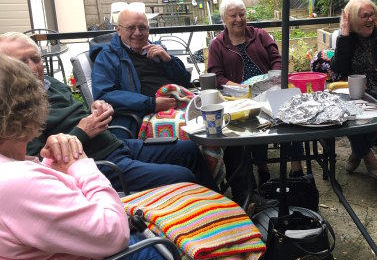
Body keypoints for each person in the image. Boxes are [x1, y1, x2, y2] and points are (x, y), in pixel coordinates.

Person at [0, 54, 255, 260]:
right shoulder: (15, 181)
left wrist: (53, 161)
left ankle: (221, 213)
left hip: (80, 248)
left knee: (188, 155)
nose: (35, 69)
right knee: (213, 244)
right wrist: (80, 163)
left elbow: (41, 206)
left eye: (36, 58)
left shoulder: (15, 171)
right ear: (28, 106)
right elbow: (113, 234)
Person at [0, 32, 216, 192]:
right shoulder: (12, 108)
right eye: (21, 62)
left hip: (116, 143)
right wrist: (83, 131)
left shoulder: (52, 83)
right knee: (183, 176)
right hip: (96, 162)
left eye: (35, 59)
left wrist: (95, 110)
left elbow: (81, 112)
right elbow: (36, 163)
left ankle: (225, 217)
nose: (32, 68)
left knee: (189, 150)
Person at [208, 0, 303, 193]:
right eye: (233, 15)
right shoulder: (217, 44)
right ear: (224, 19)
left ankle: (297, 167)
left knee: (291, 114)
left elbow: (278, 59)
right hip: (240, 96)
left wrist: (274, 77)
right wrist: (236, 86)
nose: (238, 19)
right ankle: (263, 167)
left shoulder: (260, 34)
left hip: (271, 88)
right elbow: (216, 76)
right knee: (254, 120)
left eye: (241, 14)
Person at [331, 0, 377, 179]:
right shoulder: (349, 39)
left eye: (372, 15)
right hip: (354, 95)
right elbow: (337, 69)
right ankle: (369, 156)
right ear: (354, 19)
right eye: (364, 16)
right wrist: (345, 37)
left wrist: (372, 96)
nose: (370, 19)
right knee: (347, 115)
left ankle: (358, 152)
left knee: (371, 116)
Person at [91, 7, 192, 137]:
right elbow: (104, 94)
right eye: (131, 28)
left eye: (142, 28)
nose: (138, 33)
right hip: (144, 115)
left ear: (148, 30)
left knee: (216, 118)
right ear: (118, 30)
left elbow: (184, 81)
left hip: (178, 104)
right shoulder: (108, 56)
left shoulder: (157, 50)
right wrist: (151, 103)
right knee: (193, 131)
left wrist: (169, 60)